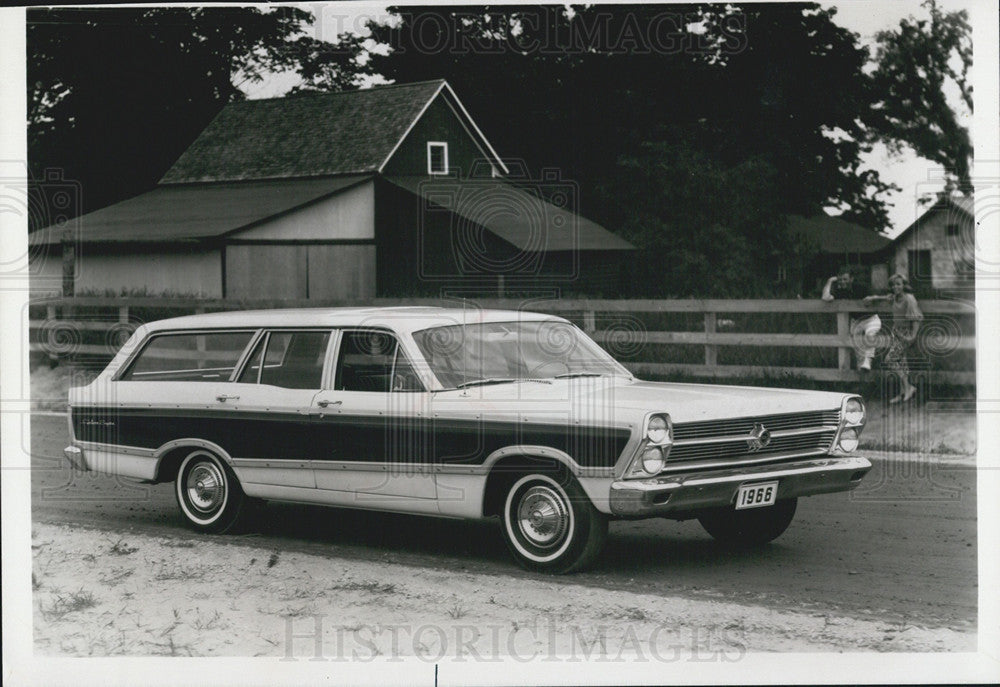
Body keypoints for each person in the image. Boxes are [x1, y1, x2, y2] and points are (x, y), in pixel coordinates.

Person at [864, 273, 923, 404]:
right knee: (901, 362)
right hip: (896, 332)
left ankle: (909, 387)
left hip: (906, 333)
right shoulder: (894, 297)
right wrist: (873, 298)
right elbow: (883, 297)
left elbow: (917, 318)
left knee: (890, 359)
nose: (896, 287)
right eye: (893, 284)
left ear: (903, 285)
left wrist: (912, 336)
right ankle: (903, 393)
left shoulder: (909, 299)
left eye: (898, 284)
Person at [822, 266, 881, 371]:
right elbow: (825, 297)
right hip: (856, 321)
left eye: (845, 279)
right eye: (840, 279)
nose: (842, 282)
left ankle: (868, 361)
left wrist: (872, 298)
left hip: (870, 319)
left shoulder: (862, 287)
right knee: (857, 348)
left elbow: (878, 298)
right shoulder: (840, 292)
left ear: (851, 279)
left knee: (870, 335)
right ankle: (861, 376)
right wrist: (830, 281)